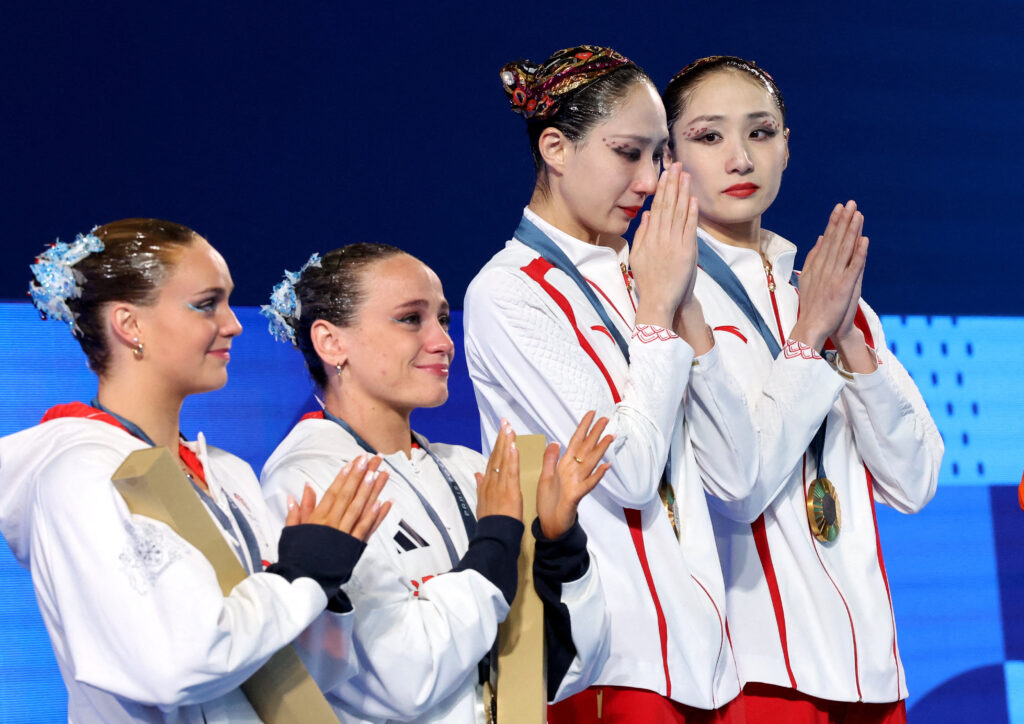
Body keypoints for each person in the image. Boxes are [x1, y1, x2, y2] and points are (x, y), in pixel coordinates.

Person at [0, 219, 387, 723]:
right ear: (128, 324)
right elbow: (173, 665)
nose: (233, 323)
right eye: (206, 304)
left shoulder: (228, 473)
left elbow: (295, 677)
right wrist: (299, 579)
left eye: (228, 301)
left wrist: (324, 589)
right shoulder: (78, 476)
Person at [464, 46, 750, 722]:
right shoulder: (508, 294)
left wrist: (684, 312)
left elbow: (738, 475)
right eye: (628, 152)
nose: (649, 179)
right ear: (556, 148)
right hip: (604, 671)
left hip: (706, 664)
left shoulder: (650, 274)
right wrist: (656, 315)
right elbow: (626, 475)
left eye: (659, 156)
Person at [662, 56, 944, 722]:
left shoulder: (820, 290)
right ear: (667, 158)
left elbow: (916, 480)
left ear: (787, 145)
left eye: (760, 133)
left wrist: (845, 336)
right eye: (709, 137)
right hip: (748, 674)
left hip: (870, 670)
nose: (740, 158)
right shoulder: (664, 297)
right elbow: (740, 488)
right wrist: (806, 338)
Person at [260, 243, 613, 723]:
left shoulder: (470, 469)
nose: (444, 341)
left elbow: (568, 670)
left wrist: (558, 548)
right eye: (411, 319)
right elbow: (403, 681)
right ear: (331, 342)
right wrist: (495, 543)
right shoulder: (310, 480)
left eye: (443, 320)